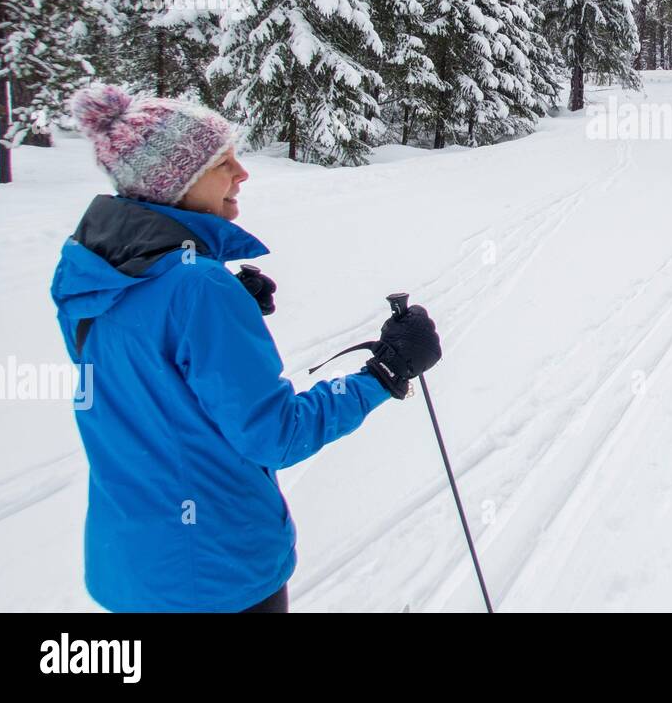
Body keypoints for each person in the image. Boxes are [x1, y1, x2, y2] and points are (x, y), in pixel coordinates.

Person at [50, 83, 442, 613]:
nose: (242, 172)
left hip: (128, 568)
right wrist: (387, 372)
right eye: (222, 162)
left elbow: (141, 372)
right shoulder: (198, 288)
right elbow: (276, 435)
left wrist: (214, 321)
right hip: (218, 574)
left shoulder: (91, 270)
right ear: (176, 181)